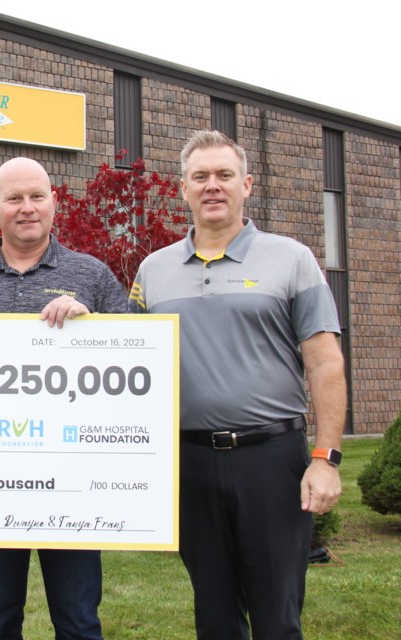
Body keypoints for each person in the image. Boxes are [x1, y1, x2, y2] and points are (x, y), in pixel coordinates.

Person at [128, 130, 346, 639]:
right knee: (214, 614)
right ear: (182, 189)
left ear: (246, 185)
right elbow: (131, 361)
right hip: (190, 463)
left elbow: (324, 363)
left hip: (271, 459)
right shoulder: (153, 271)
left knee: (276, 616)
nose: (212, 186)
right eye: (199, 177)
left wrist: (326, 459)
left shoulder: (291, 258)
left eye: (224, 175)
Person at [0, 157, 127, 640]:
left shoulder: (93, 276)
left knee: (80, 621)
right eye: (14, 198)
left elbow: (136, 359)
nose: (27, 208)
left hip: (74, 478)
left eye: (37, 196)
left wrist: (96, 328)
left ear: (54, 202)